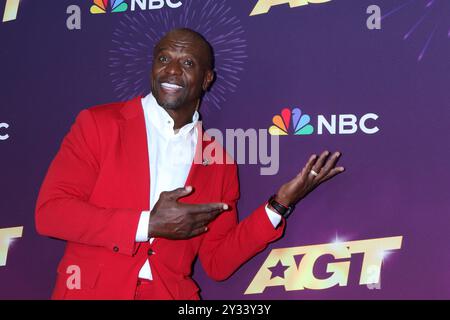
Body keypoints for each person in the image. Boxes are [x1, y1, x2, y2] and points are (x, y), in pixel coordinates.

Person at [35, 28, 345, 300]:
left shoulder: (219, 162)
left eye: (187, 63)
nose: (171, 71)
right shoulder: (99, 124)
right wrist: (147, 224)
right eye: (163, 59)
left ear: (207, 78)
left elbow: (218, 262)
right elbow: (52, 214)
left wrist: (279, 205)